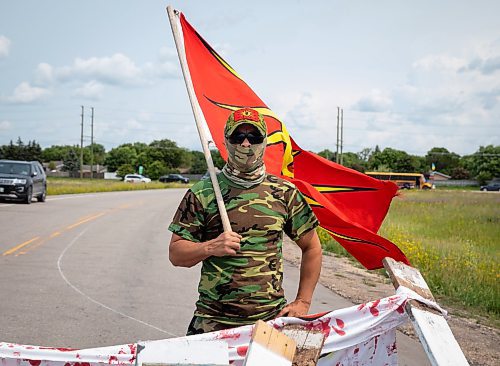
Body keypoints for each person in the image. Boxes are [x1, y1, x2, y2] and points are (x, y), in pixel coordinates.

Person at [168, 107, 322, 335]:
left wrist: (303, 302)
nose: (246, 144)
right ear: (227, 141)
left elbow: (312, 247)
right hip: (212, 323)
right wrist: (211, 246)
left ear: (264, 141)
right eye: (238, 137)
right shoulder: (204, 192)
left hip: (269, 323)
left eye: (254, 137)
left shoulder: (284, 192)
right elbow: (176, 254)